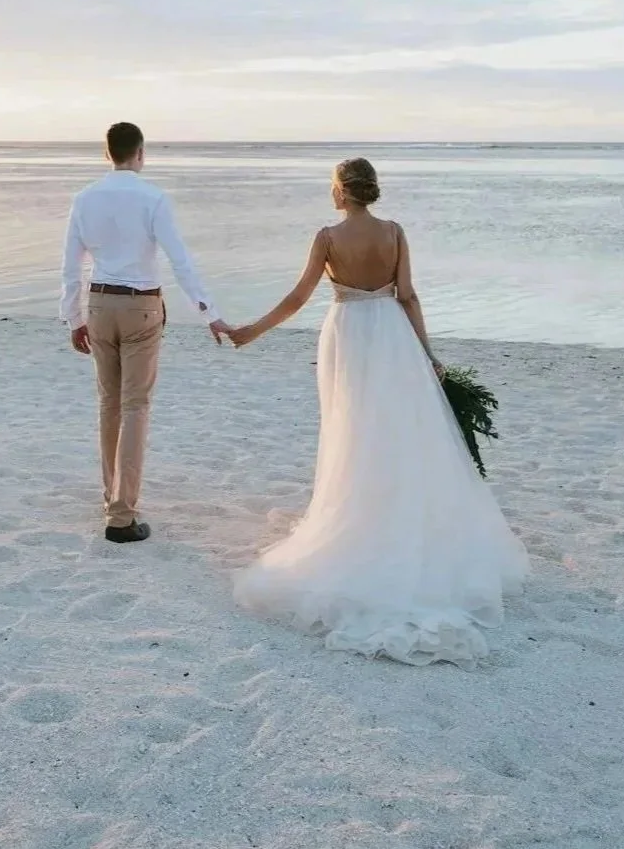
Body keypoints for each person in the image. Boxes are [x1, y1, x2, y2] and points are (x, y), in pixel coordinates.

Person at [211, 156, 527, 664]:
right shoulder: (395, 232)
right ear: (371, 190)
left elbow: (298, 297)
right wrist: (428, 355)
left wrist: (252, 331)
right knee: (398, 430)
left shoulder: (328, 236)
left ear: (340, 191)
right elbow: (408, 296)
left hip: (350, 334)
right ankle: (393, 516)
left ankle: (359, 515)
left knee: (354, 432)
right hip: (394, 337)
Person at [60, 122, 224, 544]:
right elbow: (180, 259)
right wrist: (210, 313)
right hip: (141, 306)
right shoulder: (153, 197)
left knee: (109, 404)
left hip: (99, 304)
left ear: (107, 153)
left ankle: (110, 495)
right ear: (141, 152)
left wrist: (73, 317)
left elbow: (70, 264)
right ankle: (122, 514)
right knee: (135, 407)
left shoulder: (84, 198)